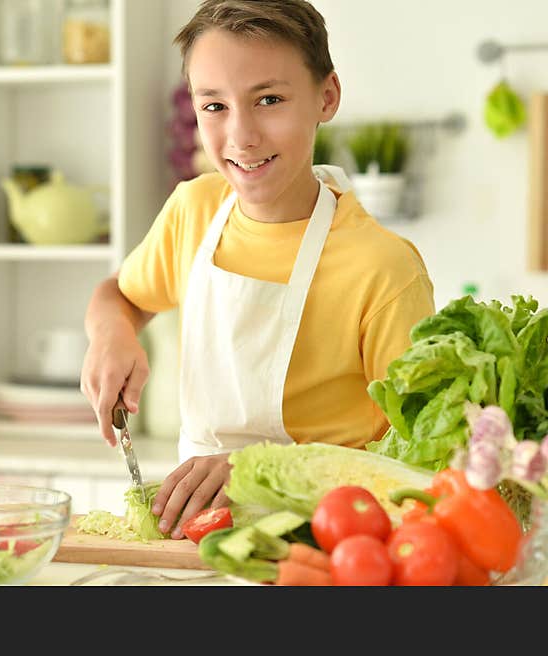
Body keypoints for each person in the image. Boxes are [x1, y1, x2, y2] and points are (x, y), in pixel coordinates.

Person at [80, 0, 435, 539]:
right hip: (196, 542)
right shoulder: (193, 210)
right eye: (214, 106)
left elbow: (417, 466)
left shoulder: (384, 269)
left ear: (327, 96)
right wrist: (111, 333)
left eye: (269, 99)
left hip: (330, 551)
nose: (241, 137)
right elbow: (121, 295)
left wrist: (254, 472)